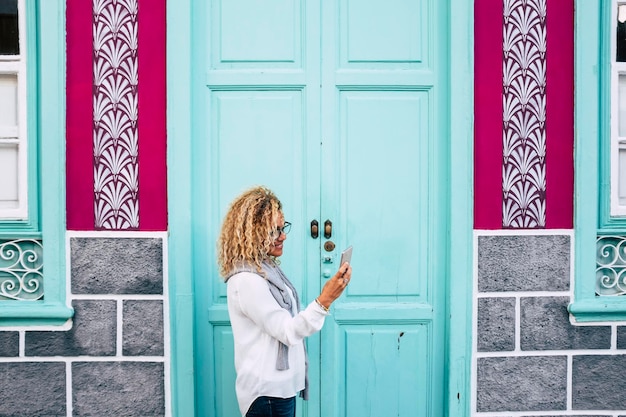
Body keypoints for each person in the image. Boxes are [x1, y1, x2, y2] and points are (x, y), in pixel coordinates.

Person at [217, 186, 352, 417]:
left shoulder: (266, 270)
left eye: (283, 228)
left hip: (279, 389)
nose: (283, 236)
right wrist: (325, 300)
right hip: (267, 394)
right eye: (274, 231)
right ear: (254, 233)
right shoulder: (248, 280)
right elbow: (287, 331)